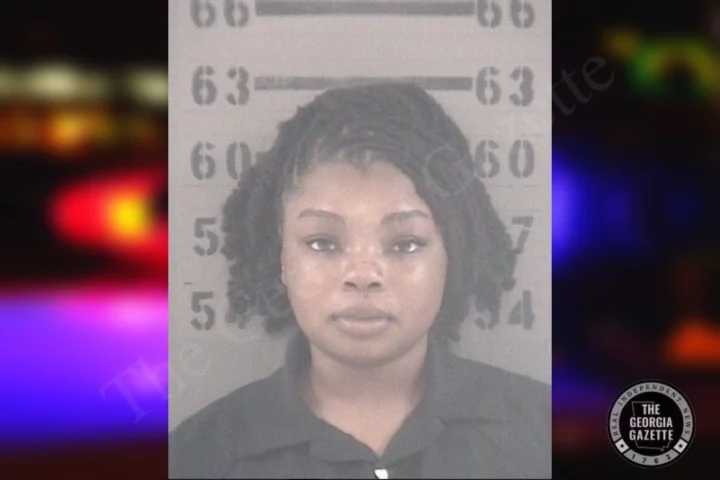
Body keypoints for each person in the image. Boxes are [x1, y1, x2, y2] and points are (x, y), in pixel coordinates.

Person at [169, 83, 550, 479]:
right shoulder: (197, 458)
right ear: (280, 257)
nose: (363, 275)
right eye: (322, 243)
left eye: (405, 244)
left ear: (451, 256)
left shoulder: (543, 434)